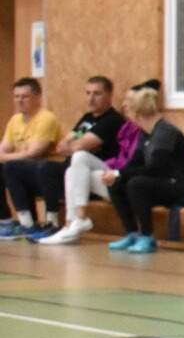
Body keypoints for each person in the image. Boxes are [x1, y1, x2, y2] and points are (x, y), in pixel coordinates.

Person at [40, 80, 148, 246]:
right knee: (73, 168)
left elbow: (137, 164)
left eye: (129, 102)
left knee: (80, 157)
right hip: (111, 177)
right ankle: (71, 224)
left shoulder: (127, 126)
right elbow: (61, 147)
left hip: (125, 183)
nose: (124, 105)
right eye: (88, 93)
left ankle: (78, 220)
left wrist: (117, 173)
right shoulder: (123, 127)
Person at [18, 75, 125, 242]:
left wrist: (74, 145)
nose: (91, 98)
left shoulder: (112, 120)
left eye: (97, 94)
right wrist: (74, 145)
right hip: (78, 172)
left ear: (109, 95)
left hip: (102, 174)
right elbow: (62, 146)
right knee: (16, 168)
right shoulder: (87, 118)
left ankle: (57, 223)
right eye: (88, 93)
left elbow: (76, 147)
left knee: (76, 158)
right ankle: (62, 224)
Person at [105, 84, 184, 254]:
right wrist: (116, 174)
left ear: (137, 113)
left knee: (136, 184)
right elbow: (135, 163)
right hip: (163, 182)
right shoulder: (145, 133)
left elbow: (155, 168)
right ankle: (132, 233)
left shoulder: (165, 131)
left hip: (183, 185)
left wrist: (119, 173)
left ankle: (147, 236)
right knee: (117, 182)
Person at [0, 78, 66, 239]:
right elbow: (2, 150)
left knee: (12, 166)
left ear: (38, 97)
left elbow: (34, 153)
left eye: (25, 96)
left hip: (50, 177)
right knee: (11, 167)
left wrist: (7, 157)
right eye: (16, 96)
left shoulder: (46, 118)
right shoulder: (15, 120)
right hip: (24, 173)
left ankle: (35, 223)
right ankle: (8, 221)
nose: (20, 101)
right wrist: (9, 156)